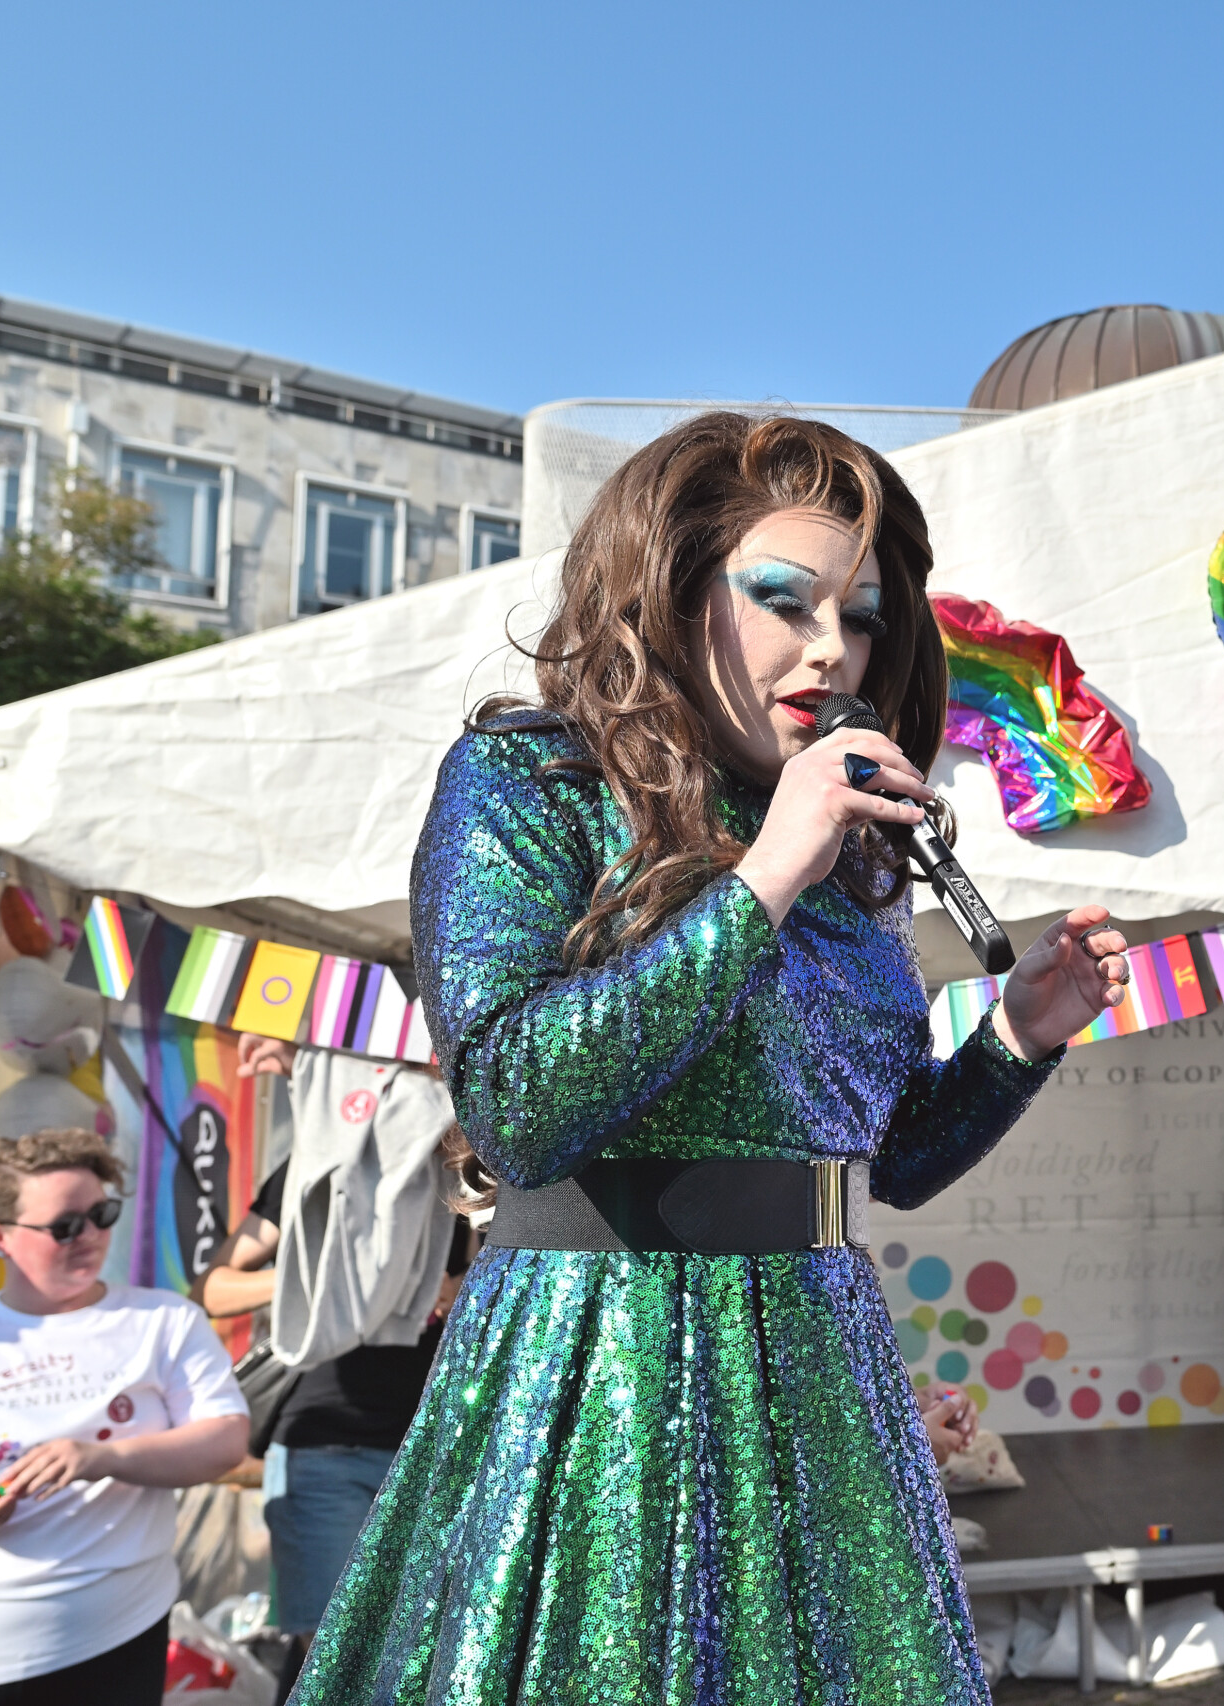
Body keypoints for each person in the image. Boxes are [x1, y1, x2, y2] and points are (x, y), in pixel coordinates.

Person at [290, 412, 1126, 1703]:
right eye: (784, 599)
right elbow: (515, 1106)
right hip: (602, 1350)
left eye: (861, 616)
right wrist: (767, 874)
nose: (830, 648)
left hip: (817, 1359)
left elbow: (885, 1161)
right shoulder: (532, 780)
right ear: (668, 597)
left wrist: (1022, 1035)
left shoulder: (851, 850)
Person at [0, 1129, 250, 1704]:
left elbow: (224, 1441)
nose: (90, 1236)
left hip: (109, 1645)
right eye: (65, 1226)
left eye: (102, 1213)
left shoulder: (163, 1322)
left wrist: (102, 1457)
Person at [198, 1037, 473, 1647]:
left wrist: (456, 1286)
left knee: (412, 1650)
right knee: (324, 1650)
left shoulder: (464, 1179)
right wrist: (325, 1278)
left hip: (430, 1450)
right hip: (328, 1444)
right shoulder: (318, 1165)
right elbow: (214, 1290)